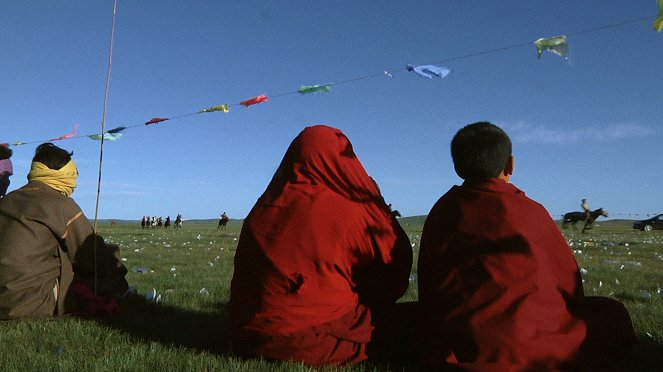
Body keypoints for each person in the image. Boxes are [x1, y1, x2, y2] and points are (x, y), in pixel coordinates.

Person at [417, 122, 635, 370]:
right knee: (612, 313)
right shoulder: (532, 211)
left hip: (467, 337)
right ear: (511, 164)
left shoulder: (443, 210)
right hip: (537, 339)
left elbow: (430, 282)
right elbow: (568, 283)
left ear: (456, 167)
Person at [229, 125, 413, 366]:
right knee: (417, 321)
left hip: (243, 335)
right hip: (302, 340)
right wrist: (376, 202)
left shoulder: (262, 208)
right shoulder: (350, 211)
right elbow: (395, 270)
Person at [0, 143, 129, 319]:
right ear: (68, 174)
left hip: (3, 296)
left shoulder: (8, 200)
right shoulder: (61, 205)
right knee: (90, 274)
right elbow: (92, 256)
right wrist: (119, 272)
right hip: (28, 302)